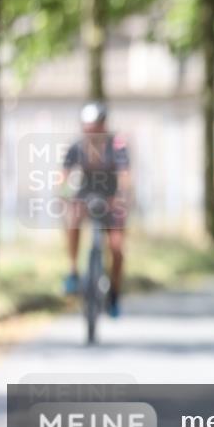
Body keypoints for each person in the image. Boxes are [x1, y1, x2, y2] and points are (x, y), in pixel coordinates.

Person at [60, 101, 131, 317]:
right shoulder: (76, 147)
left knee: (117, 248)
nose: (90, 131)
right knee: (72, 219)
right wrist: (63, 193)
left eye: (95, 126)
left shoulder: (117, 146)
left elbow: (125, 176)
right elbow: (63, 176)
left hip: (111, 199)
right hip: (85, 196)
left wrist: (122, 196)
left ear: (103, 125)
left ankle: (114, 295)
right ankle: (73, 271)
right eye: (87, 127)